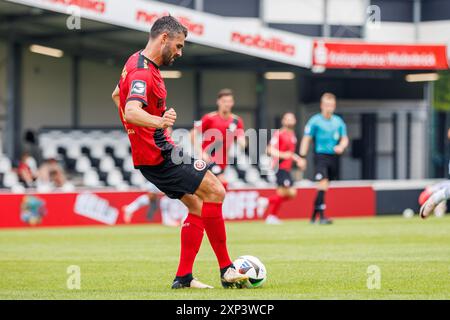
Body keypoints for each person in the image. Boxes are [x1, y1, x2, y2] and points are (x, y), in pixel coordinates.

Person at [111, 16, 248, 289]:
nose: (179, 52)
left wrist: (140, 132)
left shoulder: (134, 62)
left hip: (152, 152)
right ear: (164, 38)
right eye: (178, 45)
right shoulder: (141, 72)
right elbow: (131, 110)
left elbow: (117, 95)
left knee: (197, 205)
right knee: (216, 191)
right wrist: (157, 123)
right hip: (159, 154)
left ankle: (183, 278)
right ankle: (227, 269)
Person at [298, 93, 349, 225]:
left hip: (333, 156)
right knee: (322, 183)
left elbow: (344, 138)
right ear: (321, 106)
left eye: (331, 105)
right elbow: (306, 138)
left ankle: (313, 217)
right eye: (327, 105)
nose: (329, 108)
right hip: (320, 156)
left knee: (324, 187)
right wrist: (302, 157)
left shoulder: (338, 121)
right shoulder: (315, 121)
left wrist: (341, 146)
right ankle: (322, 217)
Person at [191, 88, 246, 190]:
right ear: (218, 102)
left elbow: (241, 138)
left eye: (229, 101)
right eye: (224, 101)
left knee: (211, 191)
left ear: (233, 103)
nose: (227, 104)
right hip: (209, 158)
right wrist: (201, 152)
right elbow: (193, 134)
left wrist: (241, 142)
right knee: (222, 183)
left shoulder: (236, 121)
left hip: (223, 161)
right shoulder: (210, 118)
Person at [265, 112, 302, 225]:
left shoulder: (292, 135)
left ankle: (272, 216)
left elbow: (290, 153)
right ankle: (266, 202)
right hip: (280, 167)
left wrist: (298, 159)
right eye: (287, 119)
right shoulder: (279, 133)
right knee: (290, 192)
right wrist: (283, 155)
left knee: (283, 193)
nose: (290, 121)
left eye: (292, 119)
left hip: (286, 168)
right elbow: (269, 150)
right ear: (283, 121)